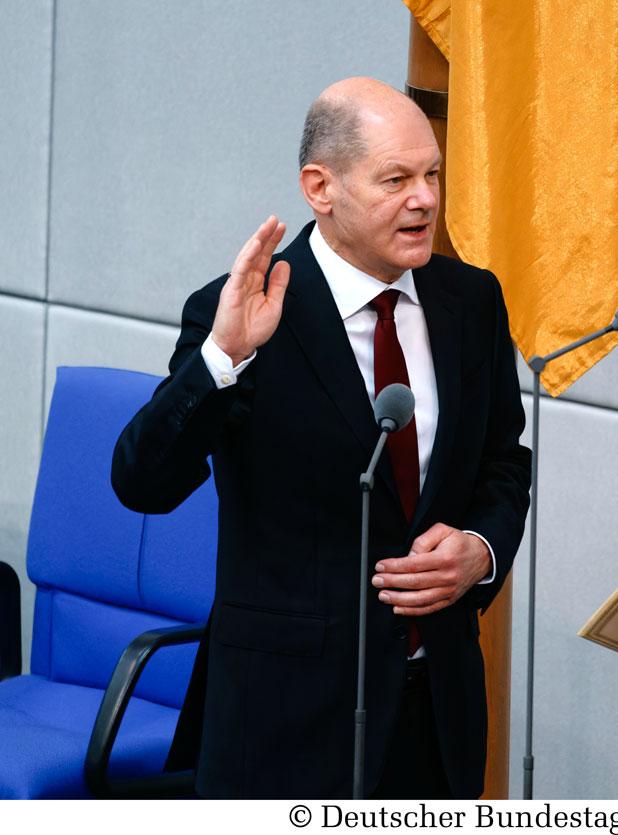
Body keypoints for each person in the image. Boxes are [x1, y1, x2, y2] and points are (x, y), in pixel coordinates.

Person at [111, 77, 531, 799]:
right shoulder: (243, 311)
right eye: (396, 180)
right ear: (320, 187)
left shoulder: (472, 300)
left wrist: (481, 548)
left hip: (436, 711)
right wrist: (222, 359)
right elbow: (143, 481)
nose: (425, 199)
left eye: (432, 175)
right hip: (285, 722)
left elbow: (503, 460)